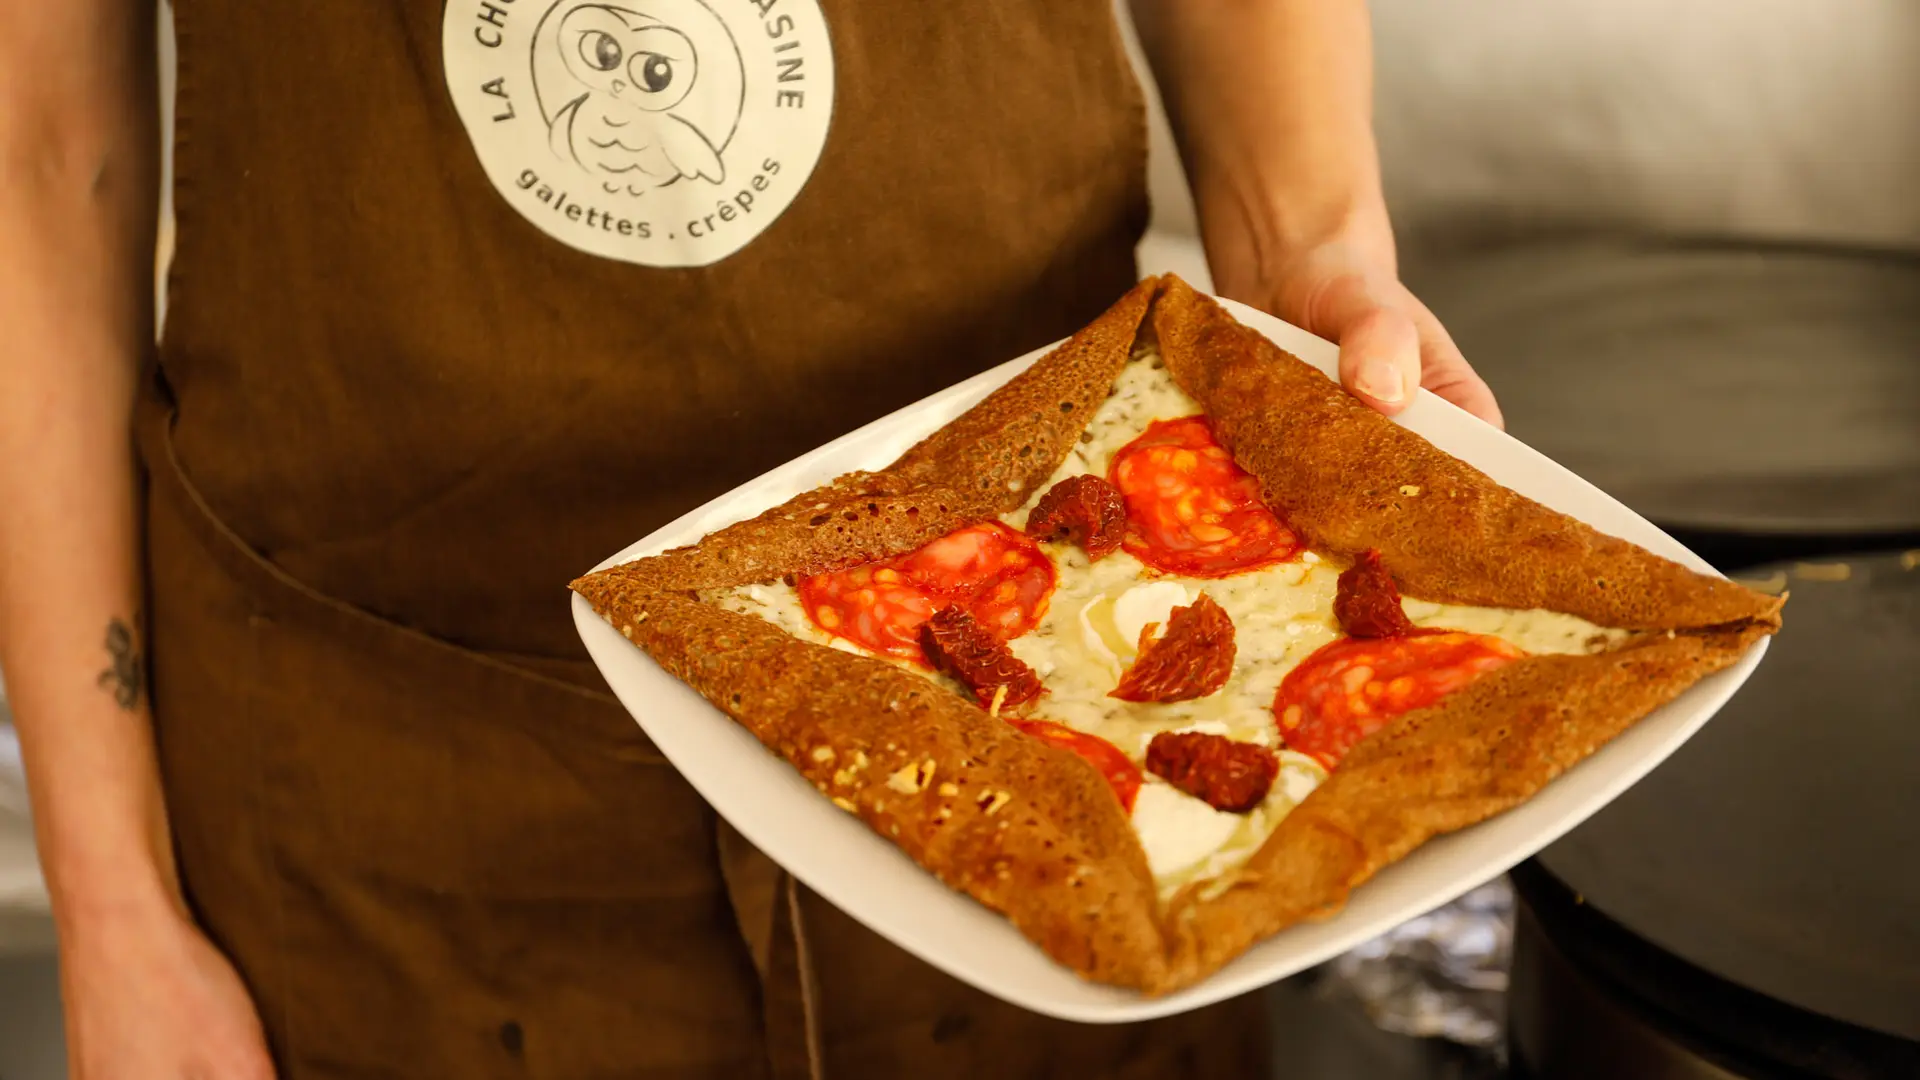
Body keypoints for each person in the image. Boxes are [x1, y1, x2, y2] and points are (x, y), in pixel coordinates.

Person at [0, 0, 1499, 1075]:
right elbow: (43, 151)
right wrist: (114, 914)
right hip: (391, 779)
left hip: (1054, 696)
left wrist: (1309, 245)